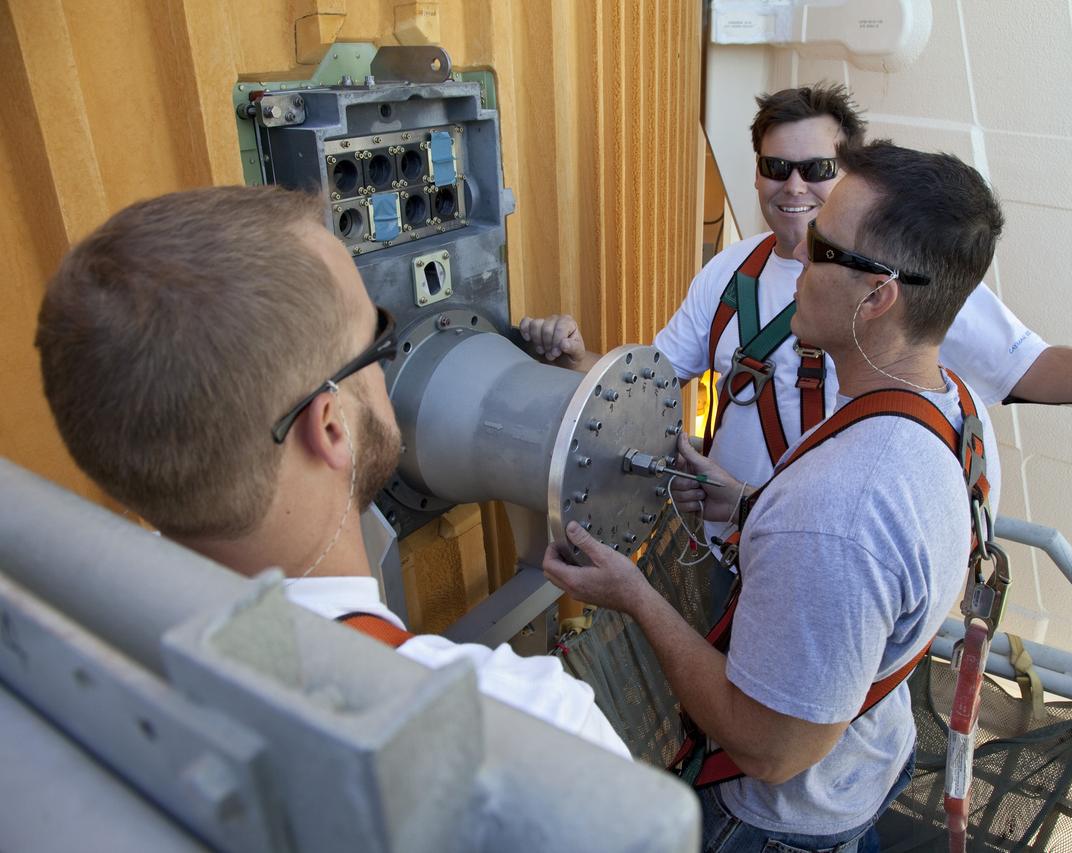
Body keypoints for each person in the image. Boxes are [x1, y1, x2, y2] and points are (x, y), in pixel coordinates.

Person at [34, 185, 629, 760]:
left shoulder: (64, 664)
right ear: (331, 427)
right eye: (377, 338)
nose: (387, 352)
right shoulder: (540, 728)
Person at [543, 142, 1007, 851]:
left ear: (879, 295)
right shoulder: (957, 413)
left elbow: (770, 749)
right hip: (867, 767)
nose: (792, 252)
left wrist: (635, 593)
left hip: (776, 825)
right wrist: (753, 503)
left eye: (822, 246)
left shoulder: (837, 511)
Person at [520, 83, 1072, 500]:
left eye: (816, 170)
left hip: (822, 555)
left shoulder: (899, 276)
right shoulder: (731, 274)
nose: (793, 187)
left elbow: (1031, 371)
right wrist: (573, 357)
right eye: (774, 167)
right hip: (724, 551)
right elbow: (652, 381)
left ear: (846, 173)